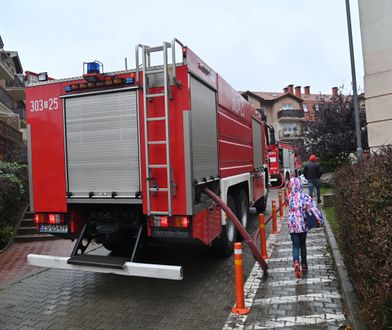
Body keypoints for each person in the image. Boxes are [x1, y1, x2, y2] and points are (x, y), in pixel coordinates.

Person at [287, 177, 324, 278]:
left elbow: (289, 206)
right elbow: (313, 207)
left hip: (292, 224)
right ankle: (304, 265)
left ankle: (295, 262)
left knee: (295, 245)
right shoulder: (305, 197)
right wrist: (319, 220)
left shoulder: (289, 196)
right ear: (301, 186)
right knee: (303, 245)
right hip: (303, 224)